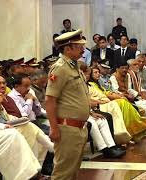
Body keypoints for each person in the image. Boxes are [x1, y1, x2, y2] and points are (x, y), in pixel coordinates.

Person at [45, 29, 90, 179]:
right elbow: (50, 100)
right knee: (63, 173)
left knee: (72, 171)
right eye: (79, 46)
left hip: (79, 128)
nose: (83, 50)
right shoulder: (60, 68)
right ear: (67, 48)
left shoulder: (74, 66)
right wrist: (54, 128)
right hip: (67, 128)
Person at [87, 66, 146, 142]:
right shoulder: (91, 84)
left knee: (124, 102)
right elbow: (94, 97)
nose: (98, 74)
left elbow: (106, 92)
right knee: (122, 102)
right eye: (95, 72)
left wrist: (118, 95)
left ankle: (132, 129)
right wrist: (104, 100)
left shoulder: (96, 84)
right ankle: (127, 131)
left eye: (98, 72)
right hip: (101, 105)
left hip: (107, 101)